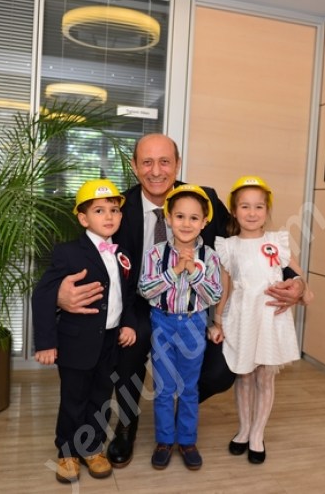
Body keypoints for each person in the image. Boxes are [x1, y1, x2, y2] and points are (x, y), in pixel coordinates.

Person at [56, 133, 307, 468]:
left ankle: (179, 410)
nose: (156, 170)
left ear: (177, 165)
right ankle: (127, 423)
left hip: (195, 307)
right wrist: (60, 292)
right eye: (147, 162)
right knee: (131, 341)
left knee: (221, 371)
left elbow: (248, 239)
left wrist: (296, 281)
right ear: (134, 166)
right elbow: (85, 251)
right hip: (139, 301)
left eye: (164, 162)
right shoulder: (119, 207)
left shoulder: (203, 200)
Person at [31, 179, 138, 484]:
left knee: (101, 397)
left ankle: (92, 447)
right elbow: (43, 294)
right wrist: (46, 342)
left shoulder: (123, 253)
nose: (109, 216)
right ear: (83, 218)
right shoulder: (68, 253)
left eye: (114, 210)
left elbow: (127, 295)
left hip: (110, 341)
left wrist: (128, 323)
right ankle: (67, 451)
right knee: (74, 399)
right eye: (99, 210)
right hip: (76, 342)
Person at [211, 175, 312, 465]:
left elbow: (299, 277)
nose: (252, 213)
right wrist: (218, 322)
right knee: (244, 376)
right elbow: (225, 288)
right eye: (245, 206)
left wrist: (302, 288)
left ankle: (258, 434)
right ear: (233, 211)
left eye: (259, 206)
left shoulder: (276, 242)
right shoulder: (228, 246)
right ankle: (243, 429)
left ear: (267, 210)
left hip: (270, 318)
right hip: (241, 318)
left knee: (265, 377)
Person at [138, 185, 222, 471]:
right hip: (162, 322)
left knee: (188, 387)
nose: (186, 224)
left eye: (194, 218)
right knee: (163, 387)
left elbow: (214, 295)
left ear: (204, 222)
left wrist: (193, 272)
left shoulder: (210, 257)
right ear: (168, 218)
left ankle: (187, 440)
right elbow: (146, 290)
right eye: (180, 216)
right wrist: (174, 271)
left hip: (194, 324)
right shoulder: (155, 253)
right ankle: (164, 441)